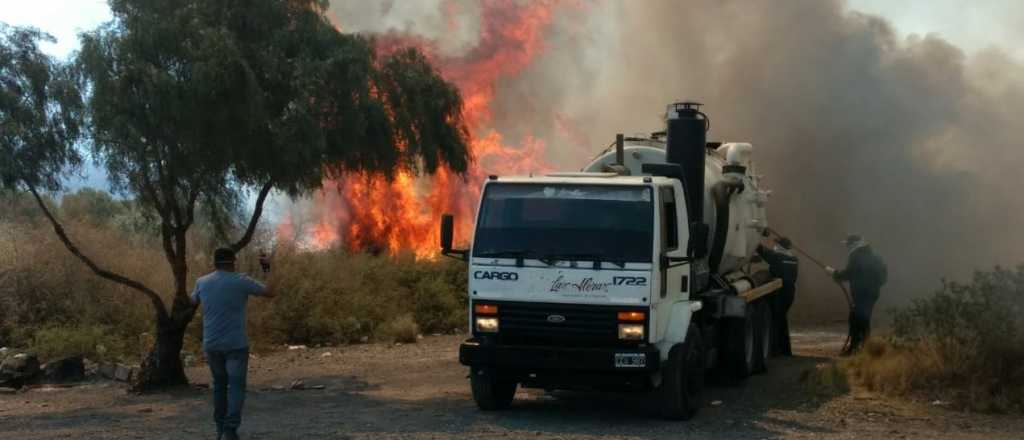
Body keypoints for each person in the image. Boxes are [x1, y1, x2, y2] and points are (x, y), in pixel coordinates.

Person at [191, 248, 276, 440]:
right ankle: (230, 430)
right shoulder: (241, 281)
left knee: (219, 386)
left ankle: (220, 429)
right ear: (233, 261)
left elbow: (190, 302)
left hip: (211, 344)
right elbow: (271, 292)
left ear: (214, 262)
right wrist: (267, 269)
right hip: (236, 345)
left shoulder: (201, 282)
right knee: (236, 386)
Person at [826, 234, 887, 355]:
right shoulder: (876, 255)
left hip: (861, 293)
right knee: (863, 317)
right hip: (873, 293)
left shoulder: (855, 255)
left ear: (853, 244)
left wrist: (834, 273)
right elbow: (883, 276)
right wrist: (875, 285)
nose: (847, 247)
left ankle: (856, 349)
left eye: (848, 244)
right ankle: (863, 348)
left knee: (857, 319)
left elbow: (849, 273)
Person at [757, 236, 799, 356]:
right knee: (781, 319)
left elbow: (763, 251)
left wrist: (754, 240)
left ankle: (775, 350)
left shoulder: (777, 257)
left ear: (780, 246)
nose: (774, 246)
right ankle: (785, 350)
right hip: (790, 292)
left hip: (779, 292)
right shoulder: (794, 260)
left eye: (776, 244)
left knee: (775, 320)